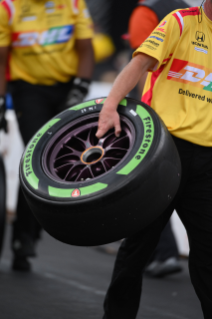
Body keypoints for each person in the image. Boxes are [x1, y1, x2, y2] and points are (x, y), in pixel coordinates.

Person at [96, 0, 212, 318]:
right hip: (164, 152)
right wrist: (109, 107)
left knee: (209, 254)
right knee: (139, 246)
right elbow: (137, 65)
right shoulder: (180, 22)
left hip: (207, 162)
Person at [0, 0, 94, 271]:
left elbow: (86, 49)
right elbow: (2, 57)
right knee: (37, 153)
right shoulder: (9, 7)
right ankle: (23, 237)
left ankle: (31, 234)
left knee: (55, 160)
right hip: (28, 90)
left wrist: (82, 86)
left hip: (66, 88)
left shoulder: (74, 3)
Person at [128, 0, 189, 278]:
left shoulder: (146, 11)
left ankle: (161, 253)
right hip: (189, 120)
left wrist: (142, 112)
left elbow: (142, 67)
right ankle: (163, 252)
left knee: (147, 190)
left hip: (157, 116)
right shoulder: (188, 11)